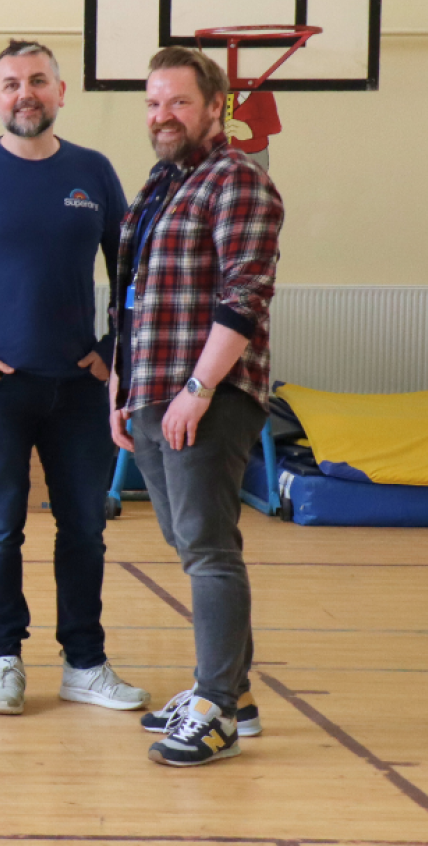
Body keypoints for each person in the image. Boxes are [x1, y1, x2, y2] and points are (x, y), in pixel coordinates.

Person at [0, 40, 149, 716]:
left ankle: (84, 663)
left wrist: (114, 349)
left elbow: (134, 277)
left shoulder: (93, 173)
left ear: (61, 92)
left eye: (38, 81)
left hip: (79, 390)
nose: (26, 93)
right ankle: (6, 661)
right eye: (12, 83)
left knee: (84, 529)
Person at [110, 46, 283, 767]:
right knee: (191, 546)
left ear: (216, 107)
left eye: (178, 102)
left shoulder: (238, 180)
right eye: (153, 103)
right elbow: (131, 297)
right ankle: (232, 696)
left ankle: (215, 708)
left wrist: (197, 388)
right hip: (150, 393)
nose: (162, 115)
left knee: (210, 552)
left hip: (205, 397)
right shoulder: (159, 185)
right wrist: (119, 390)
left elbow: (243, 295)